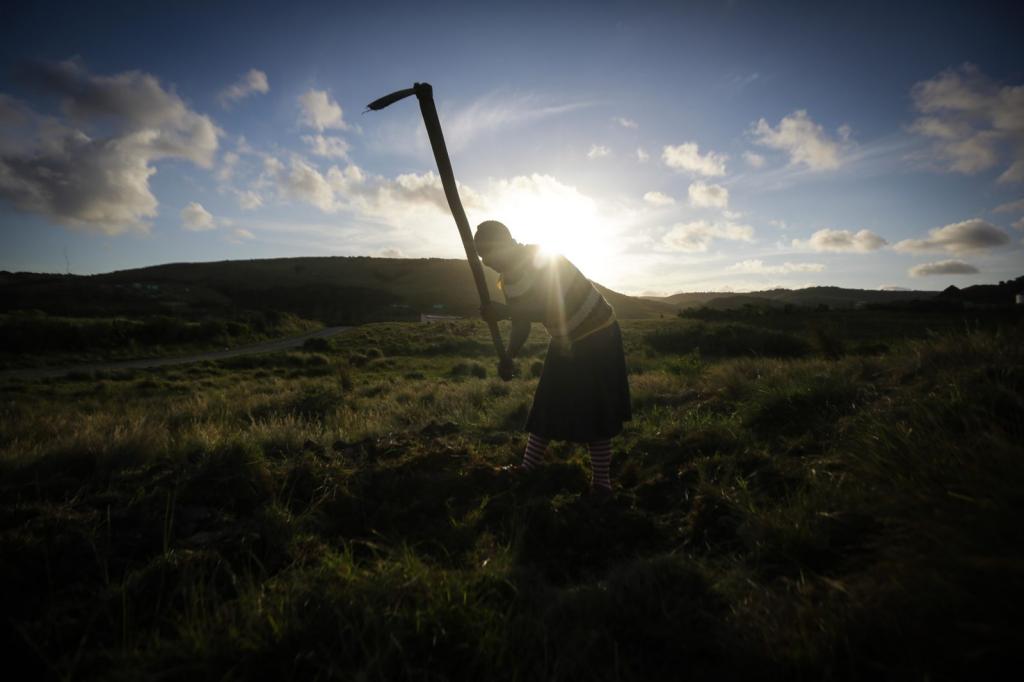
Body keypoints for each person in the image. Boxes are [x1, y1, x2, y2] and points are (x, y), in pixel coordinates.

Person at [475, 219, 631, 497]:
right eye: (482, 257)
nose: (488, 261)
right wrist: (509, 355)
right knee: (547, 401)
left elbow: (548, 306)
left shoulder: (542, 258)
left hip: (598, 333)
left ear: (508, 243)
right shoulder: (508, 281)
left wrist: (505, 312)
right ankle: (528, 468)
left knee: (596, 408)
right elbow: (522, 322)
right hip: (566, 338)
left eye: (490, 253)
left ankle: (601, 484)